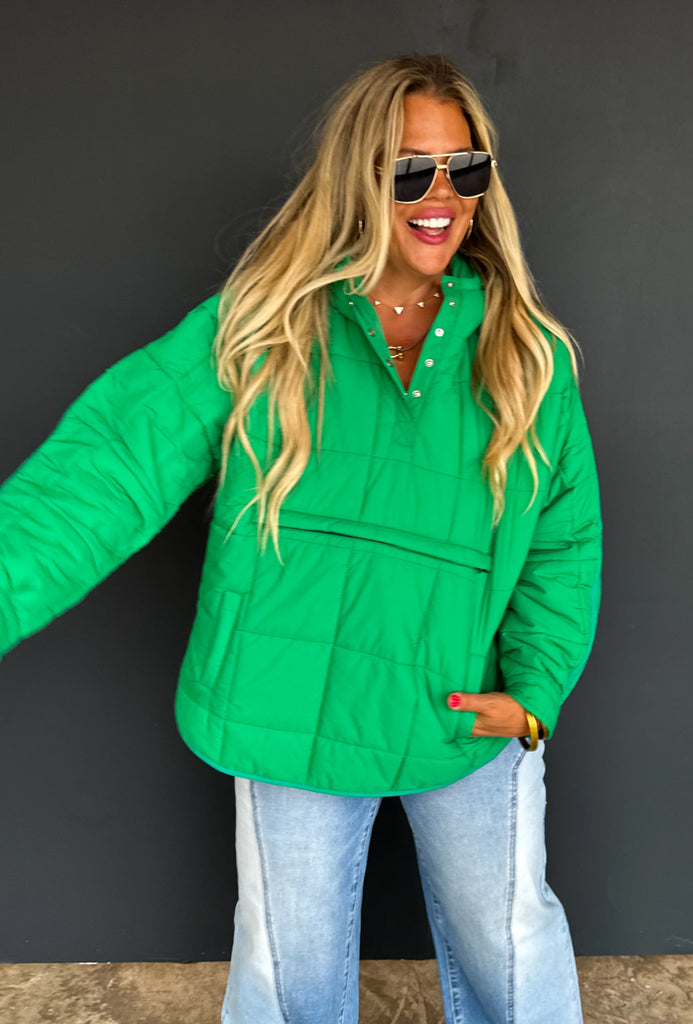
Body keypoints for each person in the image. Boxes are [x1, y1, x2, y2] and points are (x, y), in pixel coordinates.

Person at [0, 54, 601, 1024]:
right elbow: (105, 473)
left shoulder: (526, 355)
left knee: (515, 952)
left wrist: (534, 695)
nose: (442, 196)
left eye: (465, 168)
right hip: (290, 717)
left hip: (461, 709)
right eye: (410, 170)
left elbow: (563, 544)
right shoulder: (262, 328)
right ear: (358, 177)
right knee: (290, 980)